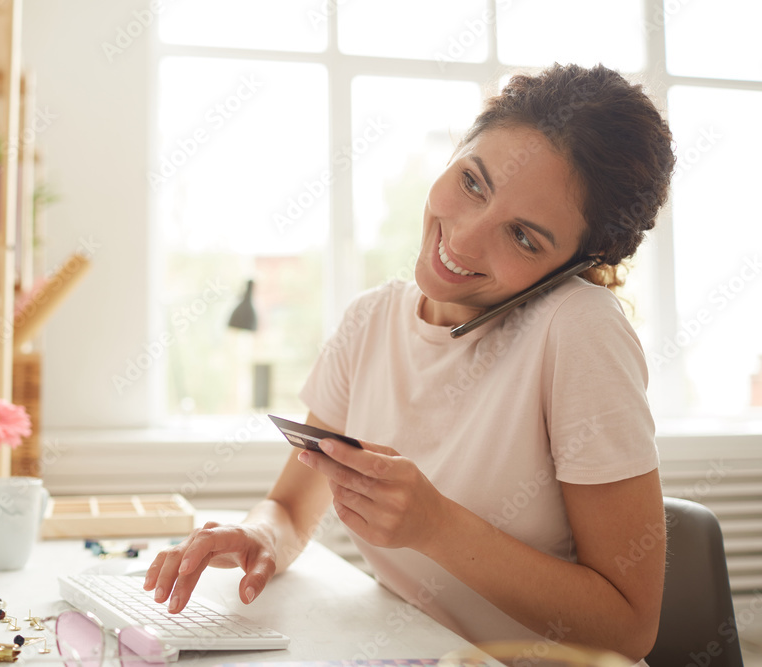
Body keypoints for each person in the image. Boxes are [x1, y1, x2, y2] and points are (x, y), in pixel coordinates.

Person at [144, 63, 676, 663]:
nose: (466, 240)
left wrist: (438, 527)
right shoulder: (370, 321)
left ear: (578, 262)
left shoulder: (580, 329)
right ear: (457, 151)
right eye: (474, 182)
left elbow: (629, 629)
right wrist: (262, 534)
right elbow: (294, 505)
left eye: (524, 237)